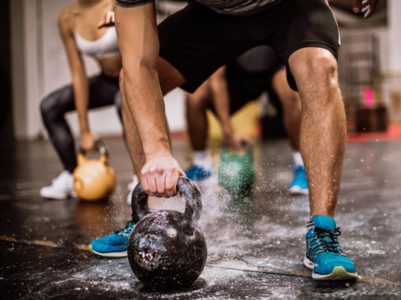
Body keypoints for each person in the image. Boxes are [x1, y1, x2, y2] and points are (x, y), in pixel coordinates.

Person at [90, 0, 379, 281]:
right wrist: (157, 152)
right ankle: (150, 218)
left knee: (320, 67)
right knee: (132, 78)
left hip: (286, 6)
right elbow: (139, 64)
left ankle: (322, 232)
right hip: (214, 14)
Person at [39, 0, 138, 201]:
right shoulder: (67, 18)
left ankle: (141, 177)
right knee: (50, 106)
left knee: (123, 103)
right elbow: (78, 75)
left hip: (135, 77)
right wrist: (84, 130)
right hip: (106, 81)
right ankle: (72, 174)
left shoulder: (115, 4)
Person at [185, 45, 308, 195]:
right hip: (238, 74)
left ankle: (302, 166)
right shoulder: (226, 26)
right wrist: (228, 132)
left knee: (291, 92)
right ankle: (200, 164)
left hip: (273, 69)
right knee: (195, 95)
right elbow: (217, 79)